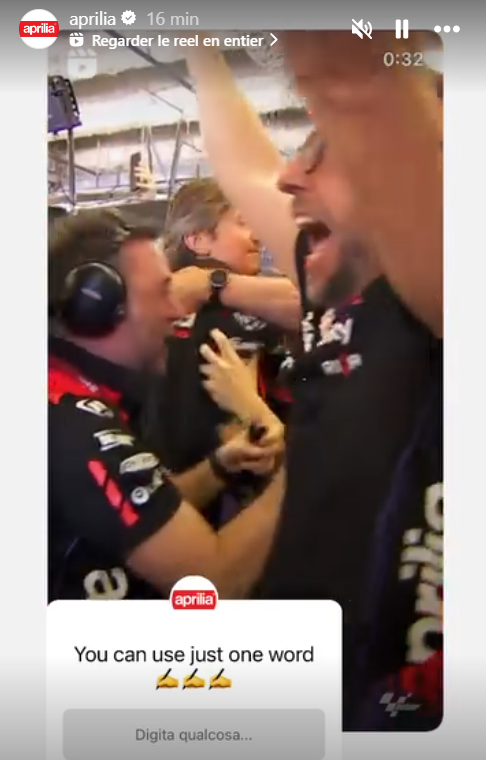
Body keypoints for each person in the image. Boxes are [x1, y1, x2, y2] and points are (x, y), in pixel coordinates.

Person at [182, 42, 441, 728]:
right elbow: (246, 166)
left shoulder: (444, 306)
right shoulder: (342, 284)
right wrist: (198, 44)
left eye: (326, 154)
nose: (290, 175)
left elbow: (360, 82)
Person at [48, 208, 285, 601]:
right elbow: (213, 583)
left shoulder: (67, 395)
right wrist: (305, 461)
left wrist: (219, 467)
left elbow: (137, 507)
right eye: (161, 293)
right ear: (96, 306)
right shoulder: (73, 426)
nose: (176, 312)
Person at [161, 178, 291, 526]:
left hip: (171, 499)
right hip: (239, 497)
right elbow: (316, 303)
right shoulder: (242, 311)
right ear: (198, 239)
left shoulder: (152, 309)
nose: (257, 236)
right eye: (243, 223)